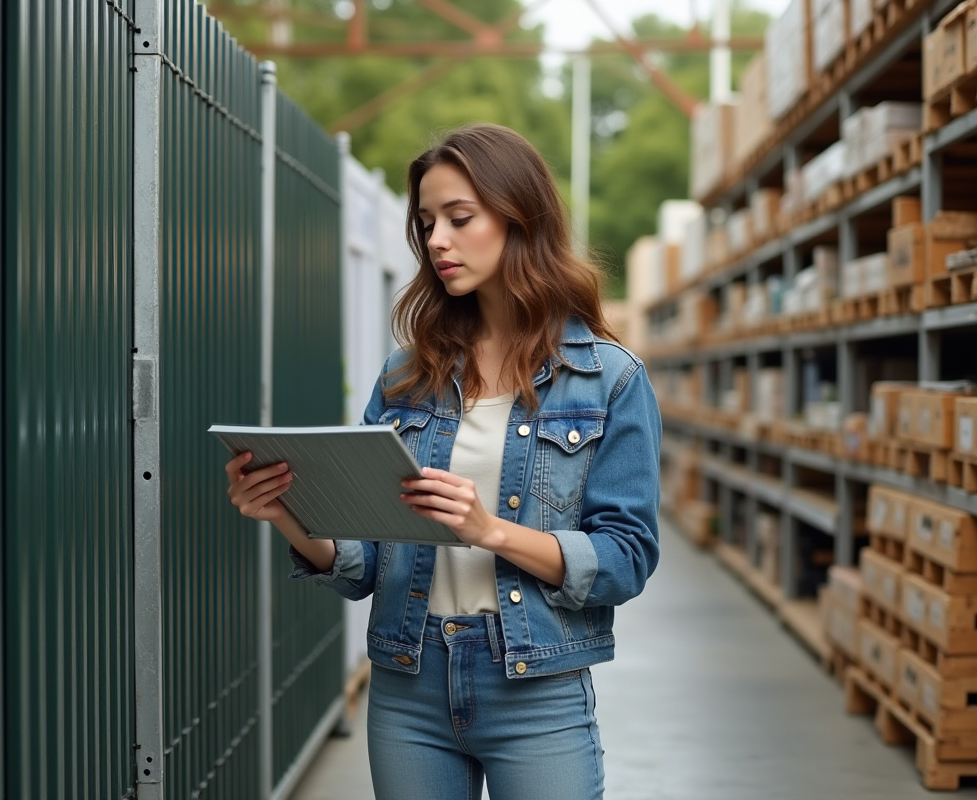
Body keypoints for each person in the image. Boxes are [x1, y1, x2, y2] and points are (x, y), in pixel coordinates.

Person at [224, 122, 661, 800]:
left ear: (520, 217)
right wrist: (289, 512)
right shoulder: (406, 377)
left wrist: (491, 532)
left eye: (459, 218)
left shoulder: (610, 379)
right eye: (427, 223)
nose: (435, 241)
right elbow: (364, 562)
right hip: (409, 684)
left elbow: (625, 558)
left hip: (536, 687)